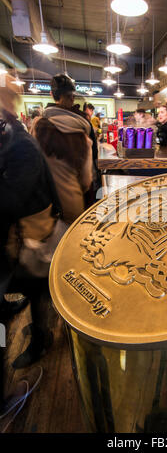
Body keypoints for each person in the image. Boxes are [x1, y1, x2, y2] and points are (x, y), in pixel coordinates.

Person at [0, 77, 61, 370]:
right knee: (34, 281)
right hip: (33, 220)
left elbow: (14, 195)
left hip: (32, 223)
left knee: (37, 283)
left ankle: (41, 338)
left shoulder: (17, 137)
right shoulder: (15, 130)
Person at [33, 74, 93, 225]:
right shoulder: (83, 135)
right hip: (72, 207)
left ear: (52, 94)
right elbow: (86, 181)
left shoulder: (37, 126)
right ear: (73, 98)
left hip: (42, 208)